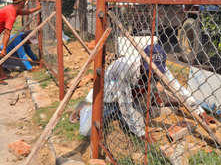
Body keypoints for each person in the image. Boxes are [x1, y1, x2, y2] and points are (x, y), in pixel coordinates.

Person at [72, 45, 205, 143]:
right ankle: (84, 110)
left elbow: (178, 89)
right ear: (142, 61)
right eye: (150, 69)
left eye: (156, 70)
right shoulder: (125, 68)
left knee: (134, 125)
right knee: (86, 131)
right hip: (109, 98)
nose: (153, 73)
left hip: (133, 98)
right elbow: (124, 103)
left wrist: (200, 112)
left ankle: (118, 116)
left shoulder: (161, 70)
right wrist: (142, 134)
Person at [0, 0, 41, 84]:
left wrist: (36, 9)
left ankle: (2, 75)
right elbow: (7, 33)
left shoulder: (12, 9)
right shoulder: (11, 14)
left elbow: (24, 12)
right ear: (22, 2)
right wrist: (4, 49)